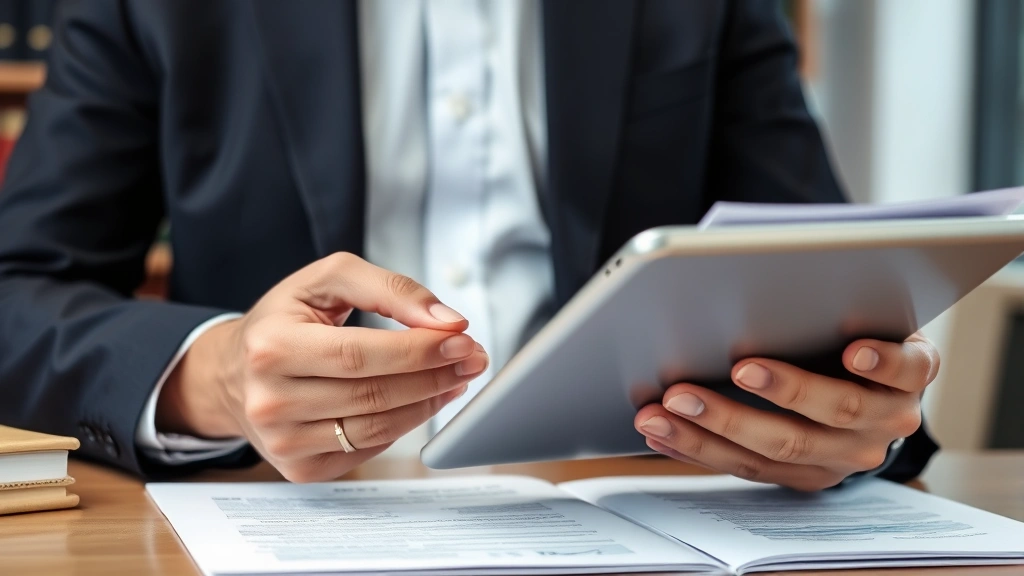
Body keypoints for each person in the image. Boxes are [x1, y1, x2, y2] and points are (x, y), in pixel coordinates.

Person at [0, 0, 937, 489]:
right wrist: (216, 377)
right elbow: (17, 289)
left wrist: (855, 423)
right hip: (274, 513)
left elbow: (825, 285)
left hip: (642, 519)